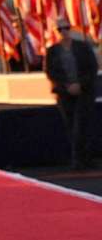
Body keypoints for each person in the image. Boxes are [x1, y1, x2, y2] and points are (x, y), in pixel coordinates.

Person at [44, 28, 98, 169]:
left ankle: (83, 158)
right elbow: (50, 72)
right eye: (60, 29)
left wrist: (79, 84)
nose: (64, 32)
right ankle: (78, 159)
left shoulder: (82, 47)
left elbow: (92, 67)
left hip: (84, 91)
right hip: (64, 93)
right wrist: (66, 85)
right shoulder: (53, 50)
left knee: (82, 125)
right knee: (71, 126)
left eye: (66, 28)